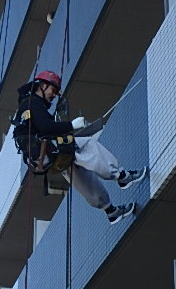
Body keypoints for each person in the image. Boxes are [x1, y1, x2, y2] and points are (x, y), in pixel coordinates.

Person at [12, 70, 147, 225]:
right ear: (42, 85)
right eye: (53, 90)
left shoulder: (26, 107)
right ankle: (123, 176)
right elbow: (45, 127)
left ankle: (111, 211)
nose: (54, 95)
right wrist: (71, 125)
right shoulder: (33, 102)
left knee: (77, 172)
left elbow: (41, 128)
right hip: (45, 149)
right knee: (87, 145)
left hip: (40, 157)